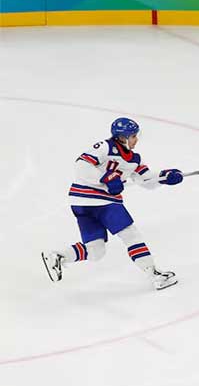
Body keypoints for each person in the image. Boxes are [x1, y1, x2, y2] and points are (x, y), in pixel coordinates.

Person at [41, 117, 184, 290]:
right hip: (101, 201)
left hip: (81, 203)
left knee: (96, 251)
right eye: (133, 136)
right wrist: (106, 178)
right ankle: (154, 274)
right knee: (131, 235)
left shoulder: (134, 159)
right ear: (123, 137)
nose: (136, 140)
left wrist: (164, 177)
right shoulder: (104, 147)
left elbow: (145, 179)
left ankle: (58, 256)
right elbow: (82, 165)